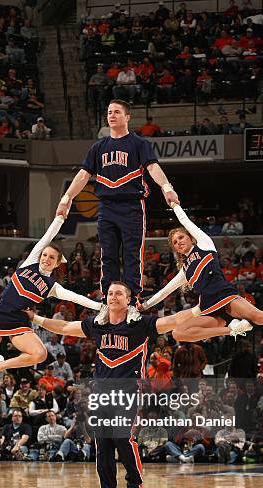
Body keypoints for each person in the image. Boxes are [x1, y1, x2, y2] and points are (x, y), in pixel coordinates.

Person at [26, 280, 185, 488]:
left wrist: (198, 310)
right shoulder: (97, 324)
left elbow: (170, 322)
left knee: (122, 438)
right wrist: (36, 319)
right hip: (100, 392)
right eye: (110, 293)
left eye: (119, 293)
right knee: (103, 445)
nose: (113, 296)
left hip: (127, 390)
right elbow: (66, 328)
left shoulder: (139, 324)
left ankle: (135, 487)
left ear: (129, 299)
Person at [0, 215, 102, 435]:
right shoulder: (30, 263)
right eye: (45, 254)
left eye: (51, 257)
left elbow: (75, 298)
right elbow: (48, 236)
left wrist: (101, 307)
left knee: (40, 354)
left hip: (18, 322)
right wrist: (61, 216)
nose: (46, 258)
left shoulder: (51, 286)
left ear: (56, 263)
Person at [55, 99, 179, 325]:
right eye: (109, 112)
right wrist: (66, 198)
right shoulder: (98, 147)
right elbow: (83, 175)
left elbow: (152, 167)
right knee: (108, 256)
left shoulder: (139, 143)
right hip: (107, 207)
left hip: (132, 205)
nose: (111, 115)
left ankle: (132, 304)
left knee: (132, 256)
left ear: (127, 116)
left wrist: (167, 187)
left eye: (117, 112)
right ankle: (107, 302)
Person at [139, 203, 263, 347]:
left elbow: (185, 221)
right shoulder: (184, 270)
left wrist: (174, 205)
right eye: (175, 242)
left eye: (181, 237)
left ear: (190, 238)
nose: (179, 242)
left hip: (224, 296)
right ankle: (233, 330)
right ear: (175, 249)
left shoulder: (204, 245)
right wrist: (145, 306)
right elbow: (164, 292)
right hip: (208, 307)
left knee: (256, 315)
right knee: (178, 333)